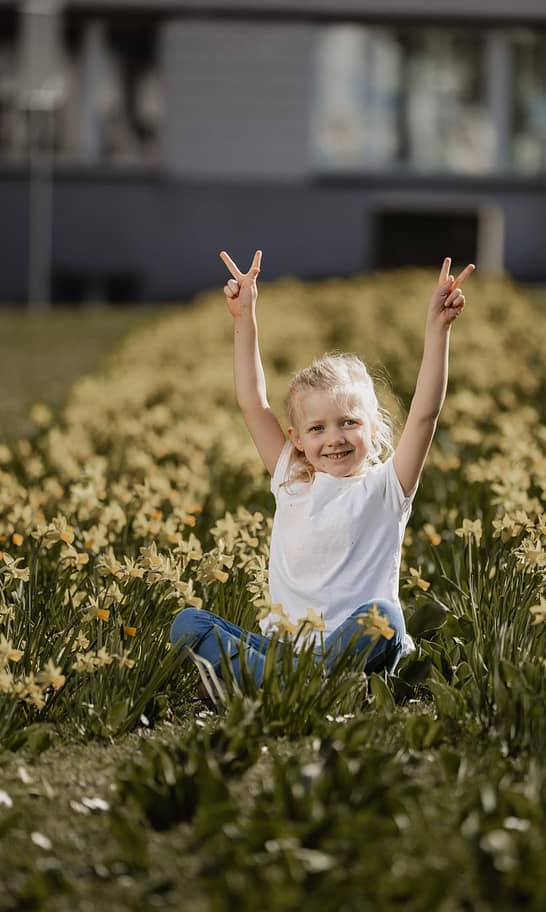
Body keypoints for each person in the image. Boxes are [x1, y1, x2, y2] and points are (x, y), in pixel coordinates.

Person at [170, 249, 474, 693]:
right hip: (286, 651)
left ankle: (279, 685)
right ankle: (305, 684)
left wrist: (437, 329)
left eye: (349, 423)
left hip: (354, 643)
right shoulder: (289, 478)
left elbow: (426, 415)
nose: (334, 438)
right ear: (297, 438)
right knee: (188, 623)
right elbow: (253, 402)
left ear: (374, 428)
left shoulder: (387, 488)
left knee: (384, 619)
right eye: (317, 428)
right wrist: (245, 317)